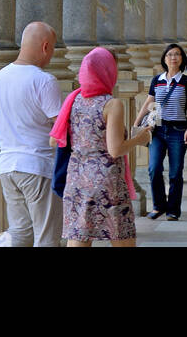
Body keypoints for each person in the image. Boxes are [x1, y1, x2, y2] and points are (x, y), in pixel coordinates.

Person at [50, 47, 150, 247]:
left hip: (77, 178)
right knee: (121, 235)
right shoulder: (111, 104)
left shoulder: (74, 99)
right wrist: (139, 139)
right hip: (106, 181)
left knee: (79, 236)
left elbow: (54, 140)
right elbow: (115, 149)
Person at [0, 20, 64, 247]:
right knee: (46, 237)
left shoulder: (0, 77)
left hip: (7, 166)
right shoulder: (44, 80)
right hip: (38, 165)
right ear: (45, 47)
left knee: (19, 233)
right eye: (52, 48)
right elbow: (61, 127)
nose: (51, 54)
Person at [134, 43, 187, 220]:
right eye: (169, 55)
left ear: (182, 59)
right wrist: (137, 123)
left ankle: (173, 210)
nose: (173, 57)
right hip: (158, 130)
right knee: (154, 168)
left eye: (177, 54)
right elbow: (148, 103)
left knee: (176, 172)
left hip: (178, 129)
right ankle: (158, 205)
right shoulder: (157, 80)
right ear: (164, 59)